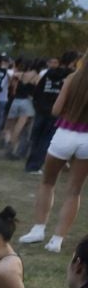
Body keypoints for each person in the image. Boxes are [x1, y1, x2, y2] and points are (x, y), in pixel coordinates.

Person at [15, 67, 88, 254]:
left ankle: (38, 229)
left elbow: (55, 109)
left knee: (47, 182)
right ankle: (57, 240)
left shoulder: (73, 77)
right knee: (74, 190)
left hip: (65, 132)